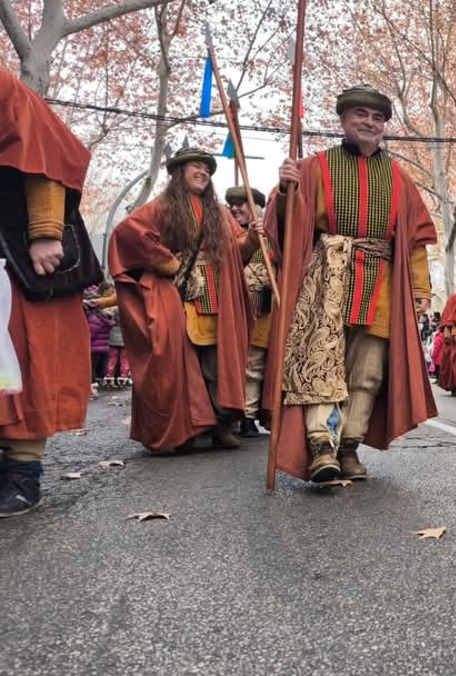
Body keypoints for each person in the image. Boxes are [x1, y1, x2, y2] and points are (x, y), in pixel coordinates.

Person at [264, 84, 438, 483]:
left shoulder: (399, 178)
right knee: (322, 362)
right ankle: (321, 445)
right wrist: (286, 192)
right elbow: (286, 230)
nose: (370, 122)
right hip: (327, 277)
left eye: (377, 118)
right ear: (343, 120)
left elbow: (413, 241)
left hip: (380, 281)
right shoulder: (312, 167)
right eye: (361, 114)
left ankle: (349, 446)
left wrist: (420, 288)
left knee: (368, 372)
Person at [110, 148, 255, 454]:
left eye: (207, 169)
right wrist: (171, 265)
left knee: (218, 362)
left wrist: (253, 238)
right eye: (196, 167)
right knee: (182, 364)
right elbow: (128, 234)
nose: (204, 172)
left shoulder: (219, 211)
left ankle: (220, 425)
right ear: (179, 172)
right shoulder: (160, 207)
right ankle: (186, 427)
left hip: (217, 295)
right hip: (177, 296)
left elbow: (238, 250)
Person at [0, 70, 95, 518]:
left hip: (16, 257)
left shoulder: (4, 86)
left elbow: (44, 145)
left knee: (21, 363)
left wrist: (44, 230)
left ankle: (22, 473)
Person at [225, 186, 271, 438]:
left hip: (262, 311)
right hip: (231, 309)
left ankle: (248, 416)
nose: (235, 208)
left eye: (241, 203)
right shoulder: (225, 234)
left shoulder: (272, 235)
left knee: (253, 365)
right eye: (232, 203)